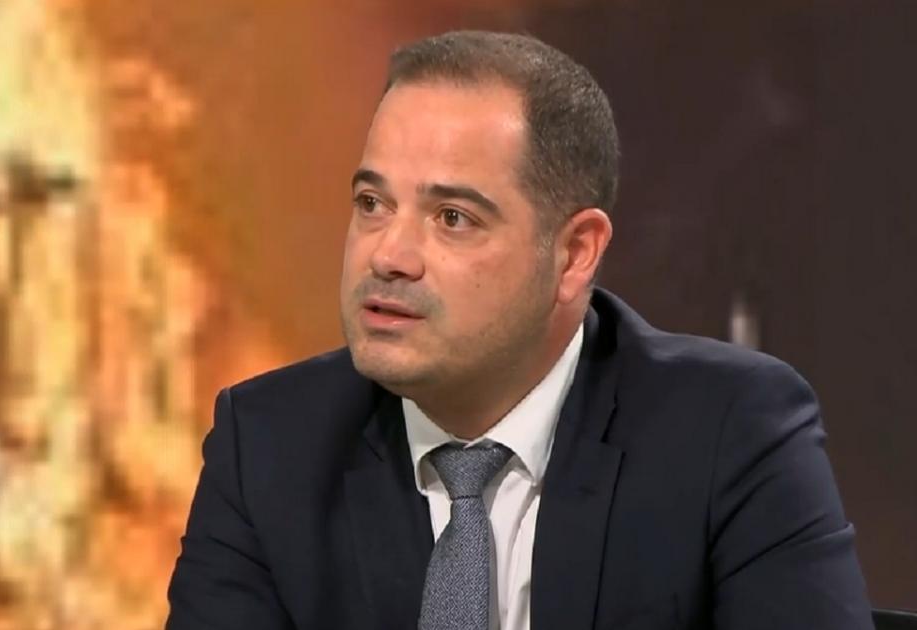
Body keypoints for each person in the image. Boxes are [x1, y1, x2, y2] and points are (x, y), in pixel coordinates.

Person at [165, 30, 873, 630]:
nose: (387, 255)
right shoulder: (269, 446)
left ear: (574, 254)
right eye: (373, 203)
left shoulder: (727, 433)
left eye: (452, 218)